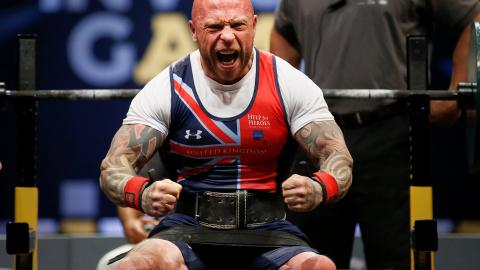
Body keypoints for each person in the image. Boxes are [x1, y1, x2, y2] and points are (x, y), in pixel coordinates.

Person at [99, 0, 353, 269]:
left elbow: (338, 157)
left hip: (269, 230)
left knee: (321, 267)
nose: (228, 36)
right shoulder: (166, 88)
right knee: (133, 266)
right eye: (214, 26)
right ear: (194, 31)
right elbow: (113, 167)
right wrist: (142, 195)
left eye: (237, 25)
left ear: (254, 26)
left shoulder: (290, 83)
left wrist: (321, 188)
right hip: (187, 229)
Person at [270, 0, 480, 269]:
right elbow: (284, 30)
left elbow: (472, 18)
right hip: (317, 139)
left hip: (390, 136)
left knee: (396, 258)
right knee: (313, 258)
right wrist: (280, 100)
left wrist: (458, 88)